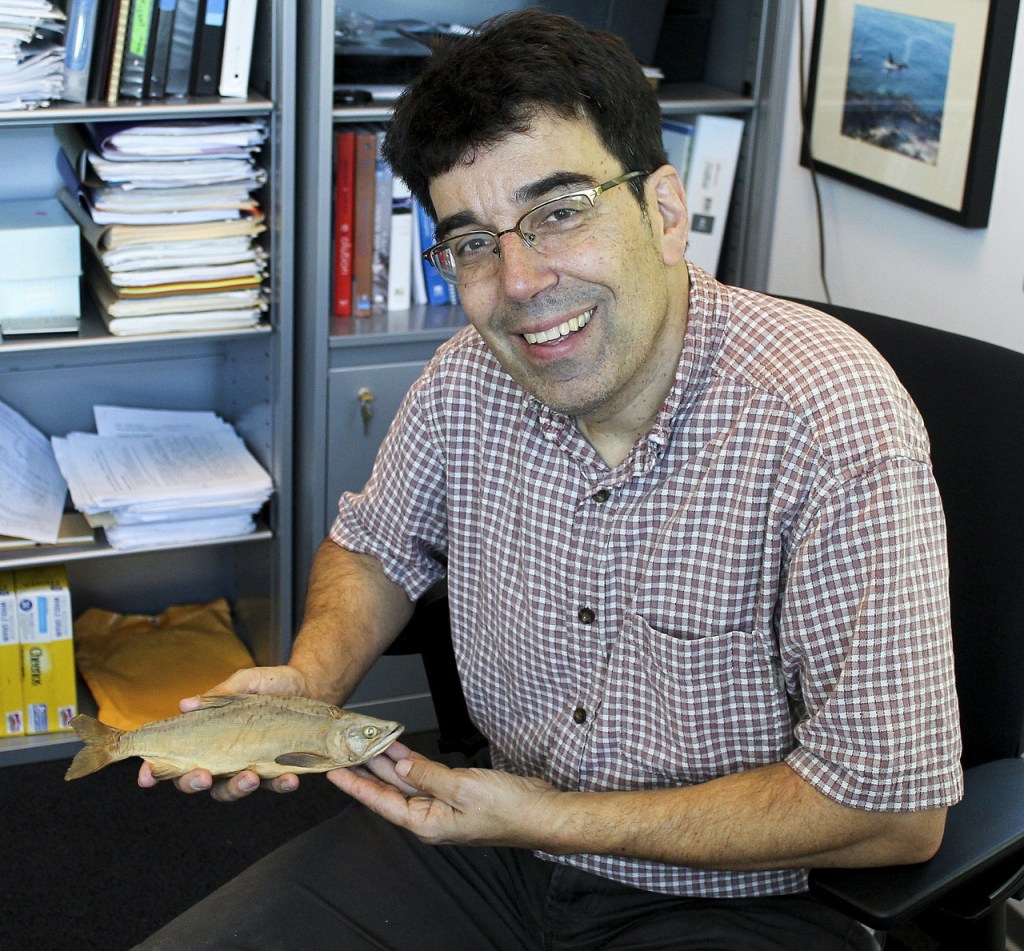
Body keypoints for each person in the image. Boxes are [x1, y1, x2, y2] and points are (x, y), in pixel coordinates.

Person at [135, 10, 962, 949]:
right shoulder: (468, 380)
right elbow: (374, 548)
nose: (519, 281)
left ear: (664, 210)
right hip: (489, 843)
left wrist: (540, 816)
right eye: (473, 243)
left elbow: (897, 813)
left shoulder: (830, 417)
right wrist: (307, 686)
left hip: (737, 892)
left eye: (559, 212)